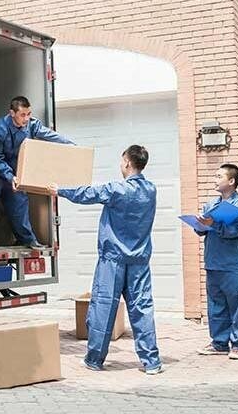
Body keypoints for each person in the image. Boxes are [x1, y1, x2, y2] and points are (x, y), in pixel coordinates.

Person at [46, 145, 162, 375]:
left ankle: (94, 359)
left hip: (113, 260)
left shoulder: (117, 189)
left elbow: (88, 194)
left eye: (121, 160)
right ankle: (152, 362)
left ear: (127, 162)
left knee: (104, 307)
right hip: (139, 260)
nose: (120, 165)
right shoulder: (151, 190)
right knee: (142, 308)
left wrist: (59, 190)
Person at [0, 95, 73, 249]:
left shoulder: (31, 125)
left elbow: (49, 135)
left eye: (28, 114)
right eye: (22, 115)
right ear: (12, 113)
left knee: (19, 204)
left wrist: (70, 145)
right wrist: (10, 176)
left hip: (14, 170)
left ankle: (27, 240)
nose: (26, 118)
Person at [195, 164, 238, 360]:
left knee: (236, 306)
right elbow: (202, 231)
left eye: (219, 176)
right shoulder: (211, 205)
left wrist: (214, 224)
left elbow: (235, 231)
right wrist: (200, 224)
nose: (215, 179)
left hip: (233, 264)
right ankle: (219, 343)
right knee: (216, 306)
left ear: (231, 181)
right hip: (213, 262)